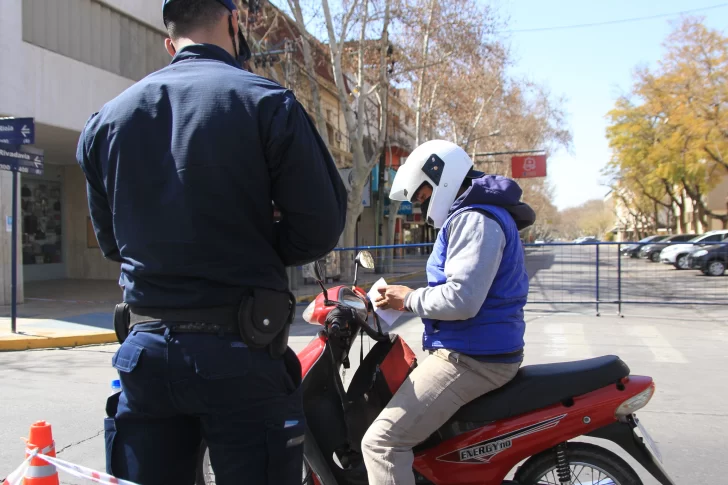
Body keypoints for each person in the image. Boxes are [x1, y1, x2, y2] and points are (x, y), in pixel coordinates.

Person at [76, 0, 347, 483]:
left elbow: (114, 244)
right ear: (233, 22)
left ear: (169, 41)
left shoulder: (106, 122)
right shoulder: (268, 104)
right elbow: (320, 227)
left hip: (148, 352)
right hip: (242, 351)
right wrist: (256, 241)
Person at [362, 139, 535, 485]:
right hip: (473, 350)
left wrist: (408, 299)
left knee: (382, 443)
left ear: (440, 174)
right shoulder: (473, 213)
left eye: (422, 194)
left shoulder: (475, 219)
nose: (422, 204)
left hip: (473, 360)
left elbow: (462, 300)